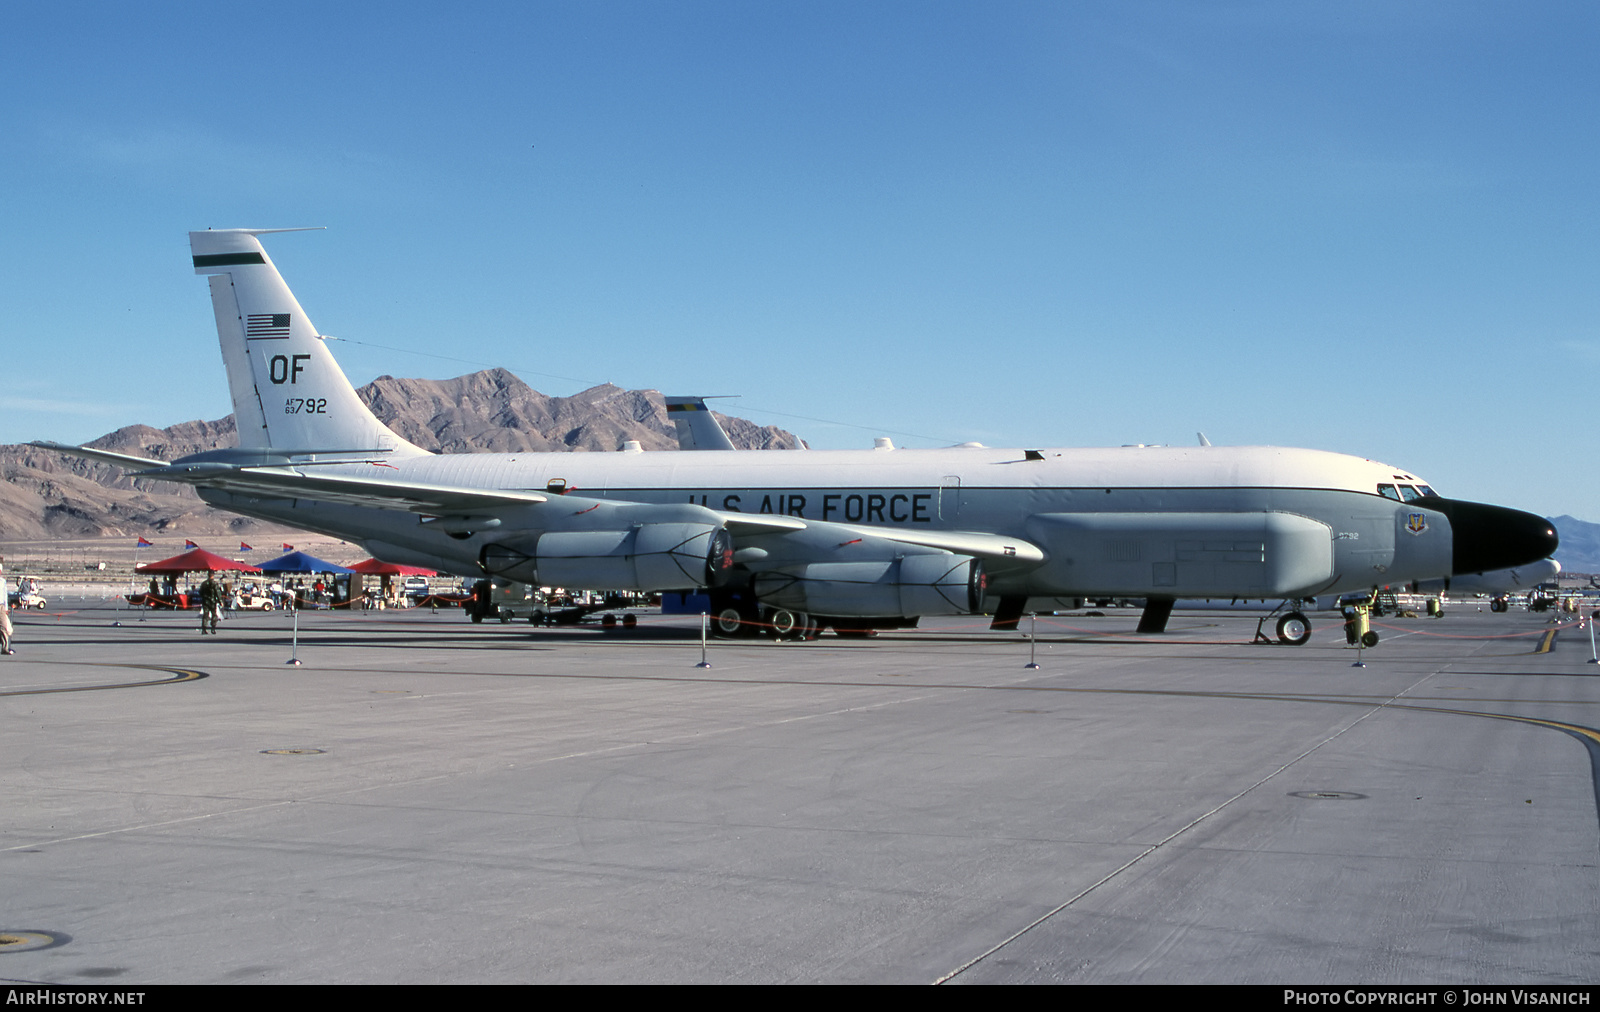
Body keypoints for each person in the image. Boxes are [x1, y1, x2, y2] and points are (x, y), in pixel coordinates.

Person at [0, 559, 13, 655]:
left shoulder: (2, 581)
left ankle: (5, 648)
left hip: (0, 606)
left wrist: (5, 607)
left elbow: (5, 595)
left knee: (5, 627)